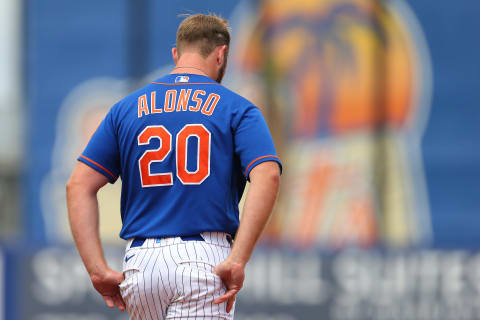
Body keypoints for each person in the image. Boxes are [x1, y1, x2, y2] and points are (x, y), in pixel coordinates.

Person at [66, 13, 281, 319]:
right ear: (221, 55)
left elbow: (77, 186)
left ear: (176, 54)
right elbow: (267, 175)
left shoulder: (126, 109)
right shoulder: (237, 108)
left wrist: (97, 269)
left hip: (140, 264)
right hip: (202, 257)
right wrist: (238, 259)